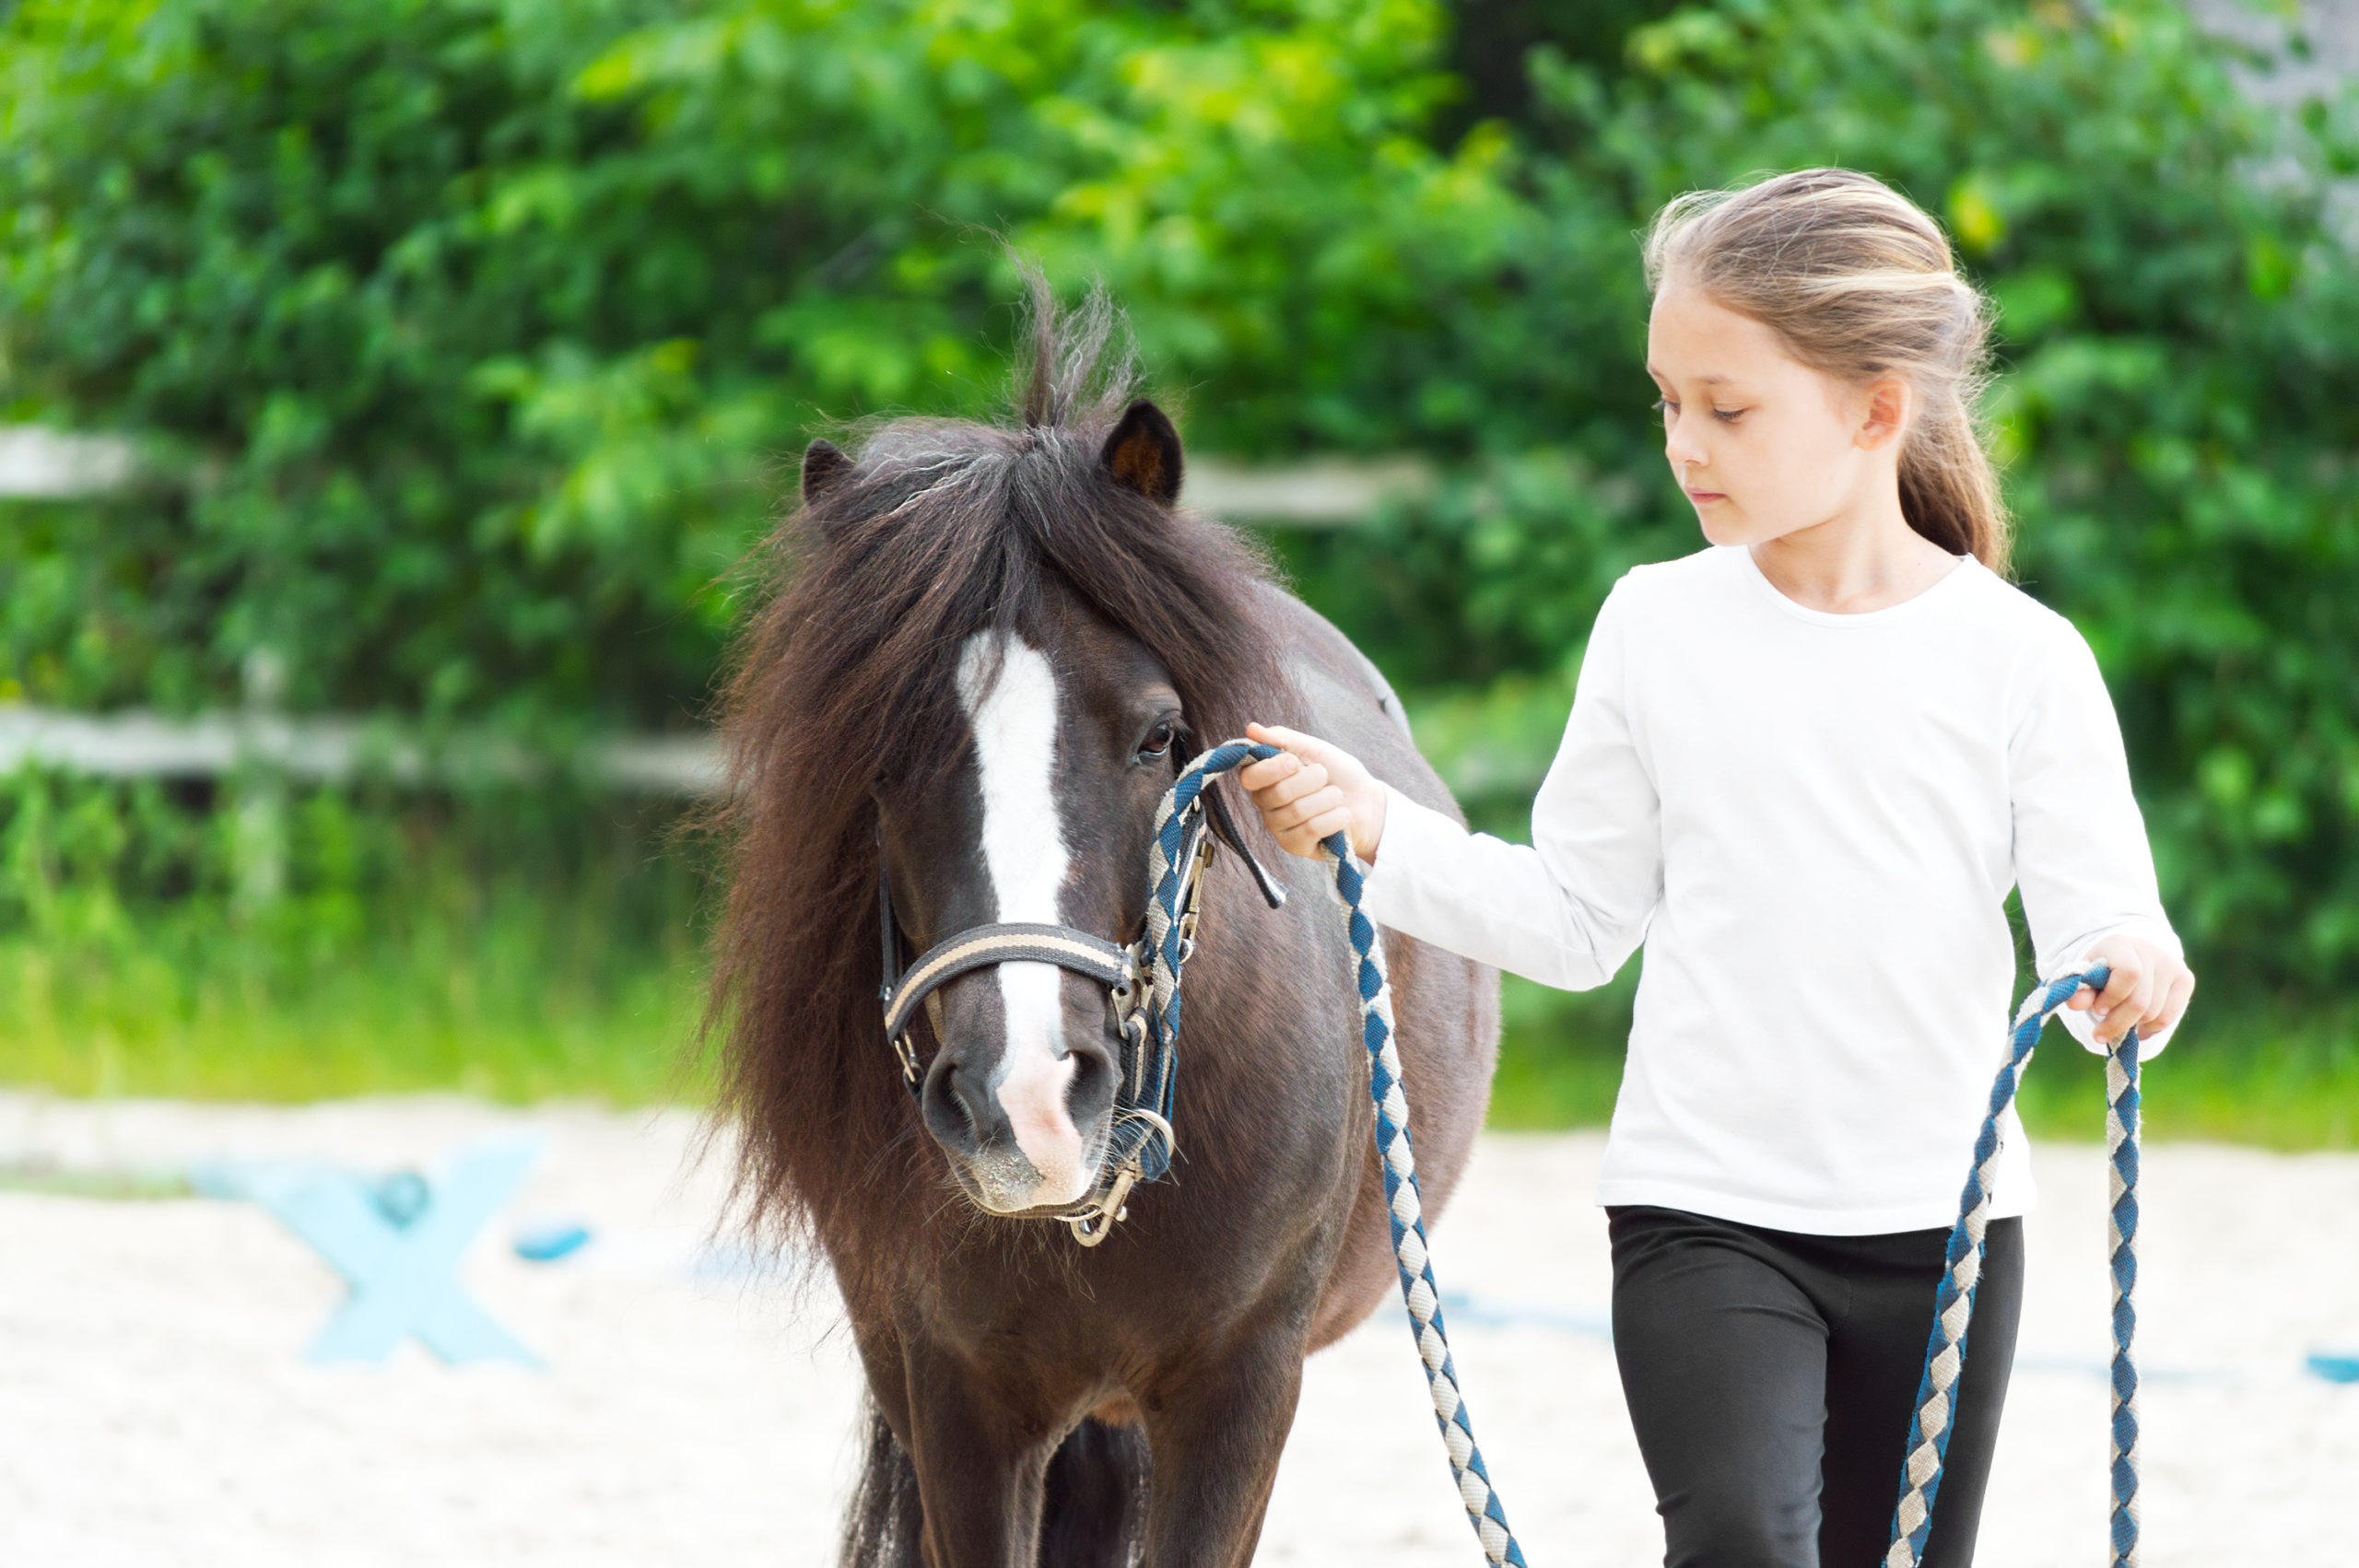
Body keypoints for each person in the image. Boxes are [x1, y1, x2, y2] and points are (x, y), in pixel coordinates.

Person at [1236, 167, 2196, 1568]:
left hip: (1947, 1238)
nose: (1686, 442)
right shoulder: (1654, 627)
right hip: (1705, 1219)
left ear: (1876, 412)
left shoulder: (2022, 659)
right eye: (1668, 400)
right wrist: (1377, 827)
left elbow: (2102, 908)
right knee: (1742, 1539)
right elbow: (1573, 919)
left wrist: (2131, 965)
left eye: (1728, 408)